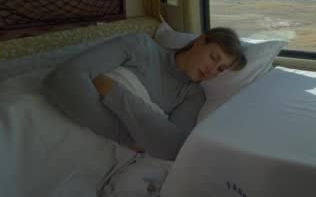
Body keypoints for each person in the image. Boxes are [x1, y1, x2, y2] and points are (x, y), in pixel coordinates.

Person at [43, 27, 247, 160]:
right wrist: (135, 137)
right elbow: (62, 78)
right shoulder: (140, 47)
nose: (212, 71)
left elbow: (173, 148)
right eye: (213, 57)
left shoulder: (192, 95)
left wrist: (114, 91)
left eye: (221, 69)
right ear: (199, 42)